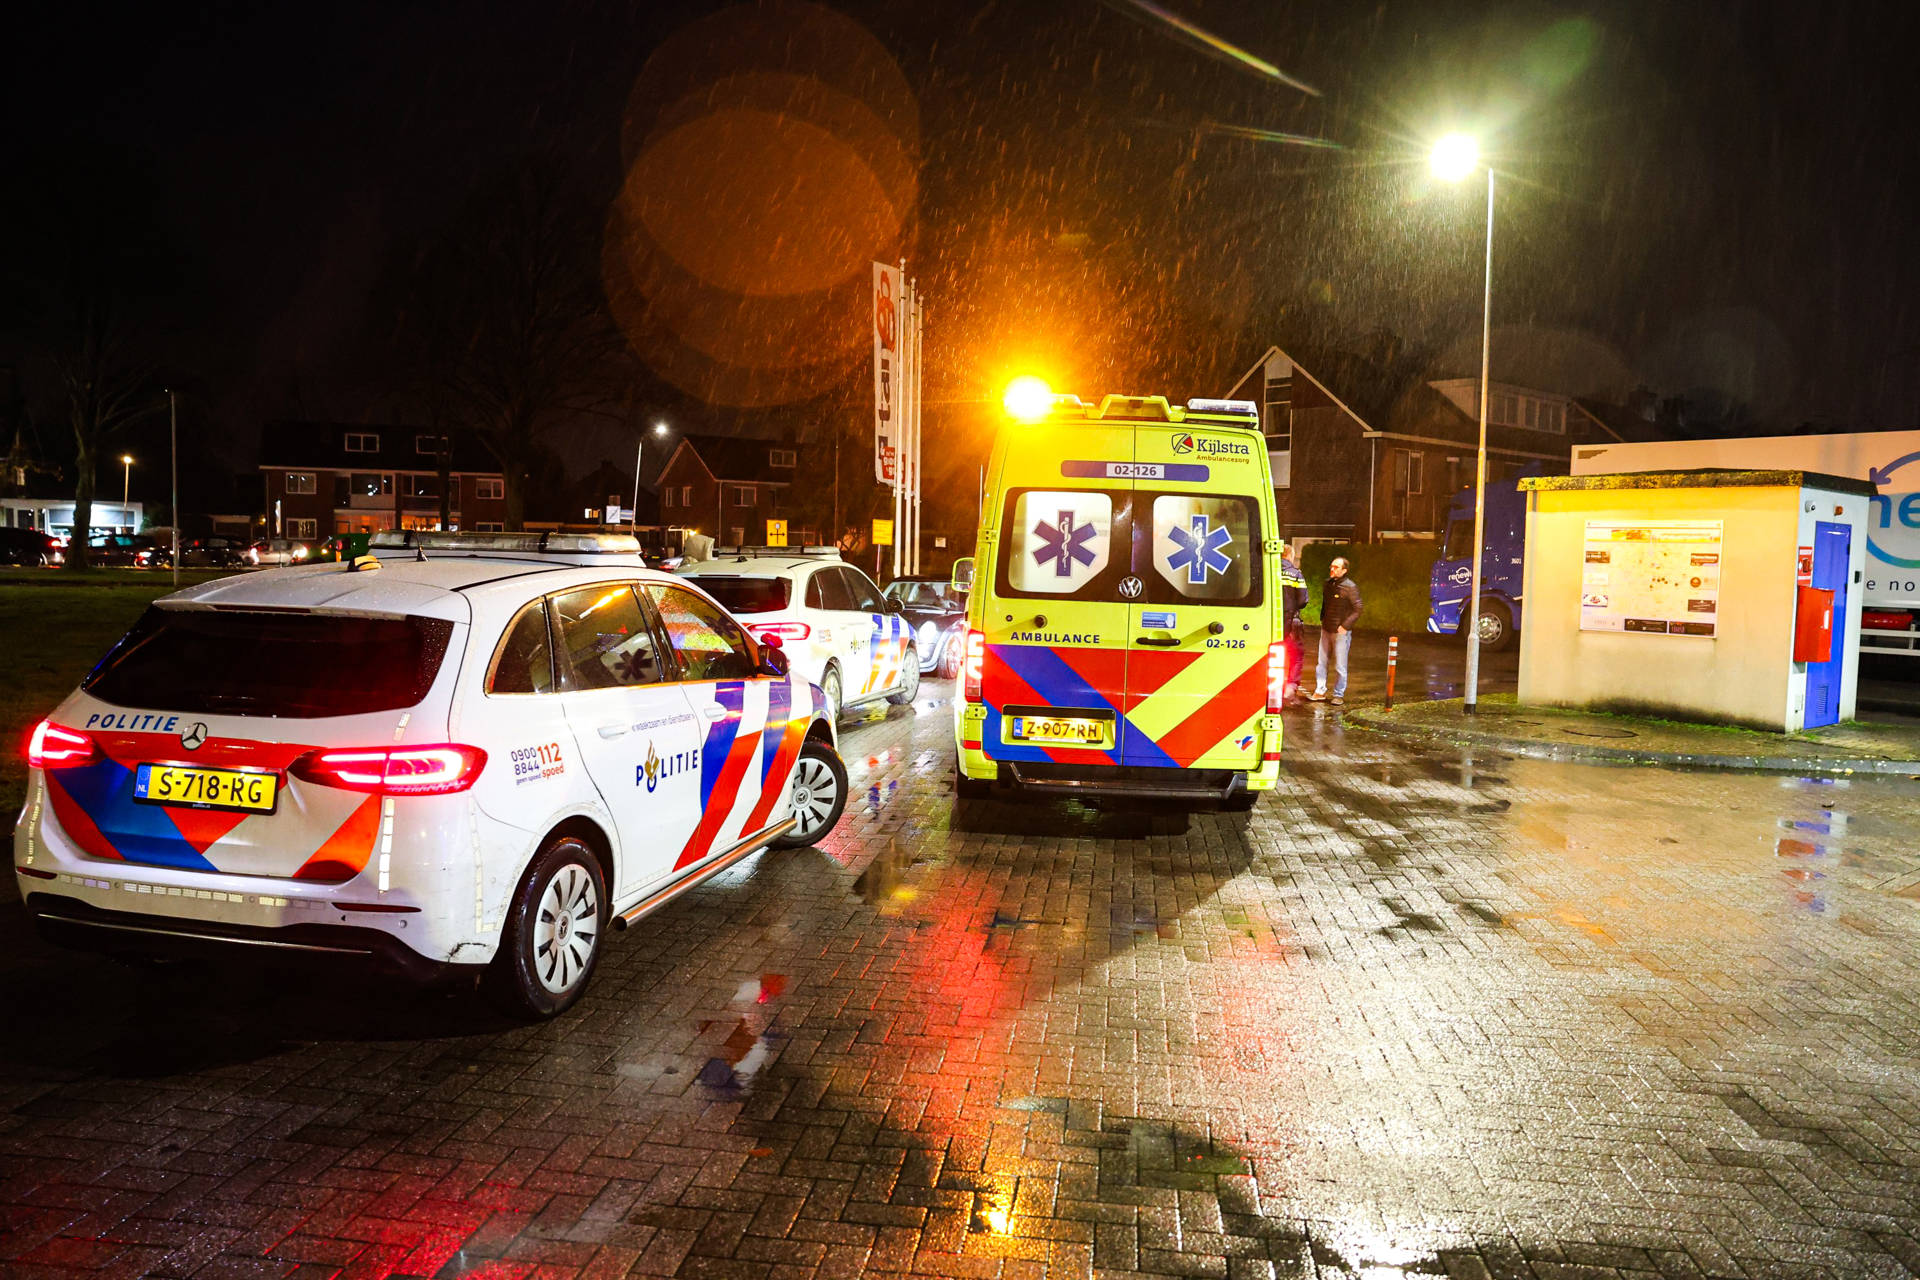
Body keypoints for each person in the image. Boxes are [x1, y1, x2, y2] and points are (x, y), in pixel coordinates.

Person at [1308, 557, 1361, 706]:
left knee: (1340, 665)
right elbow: (1326, 603)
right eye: (1331, 566)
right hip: (1326, 628)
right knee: (1322, 662)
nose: (1332, 569)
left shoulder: (1350, 587)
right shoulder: (1328, 584)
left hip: (1340, 632)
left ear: (1344, 570)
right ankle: (1320, 691)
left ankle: (1338, 694)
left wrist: (1345, 626)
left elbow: (1358, 609)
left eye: (1336, 567)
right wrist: (1323, 619)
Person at [1278, 552, 1308, 704]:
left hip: (1271, 621)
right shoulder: (1295, 574)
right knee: (1296, 655)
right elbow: (1303, 600)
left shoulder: (1269, 570)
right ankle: (1290, 688)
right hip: (1290, 622)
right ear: (1290, 556)